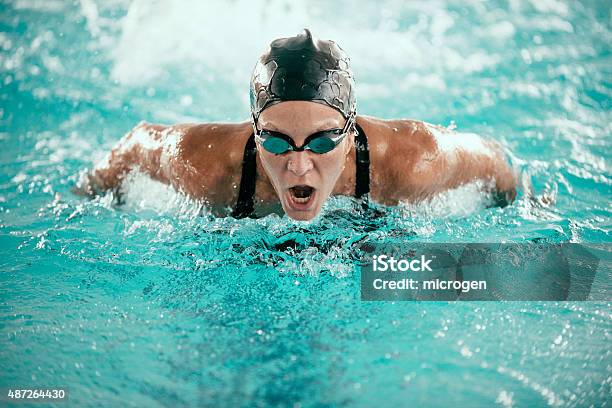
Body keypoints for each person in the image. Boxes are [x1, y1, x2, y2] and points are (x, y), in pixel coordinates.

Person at [77, 29, 516, 221]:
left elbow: (495, 163)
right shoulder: (205, 166)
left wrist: (529, 207)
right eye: (275, 140)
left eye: (323, 141)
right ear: (253, 129)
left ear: (349, 131)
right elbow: (136, 145)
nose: (299, 166)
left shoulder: (413, 160)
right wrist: (86, 196)